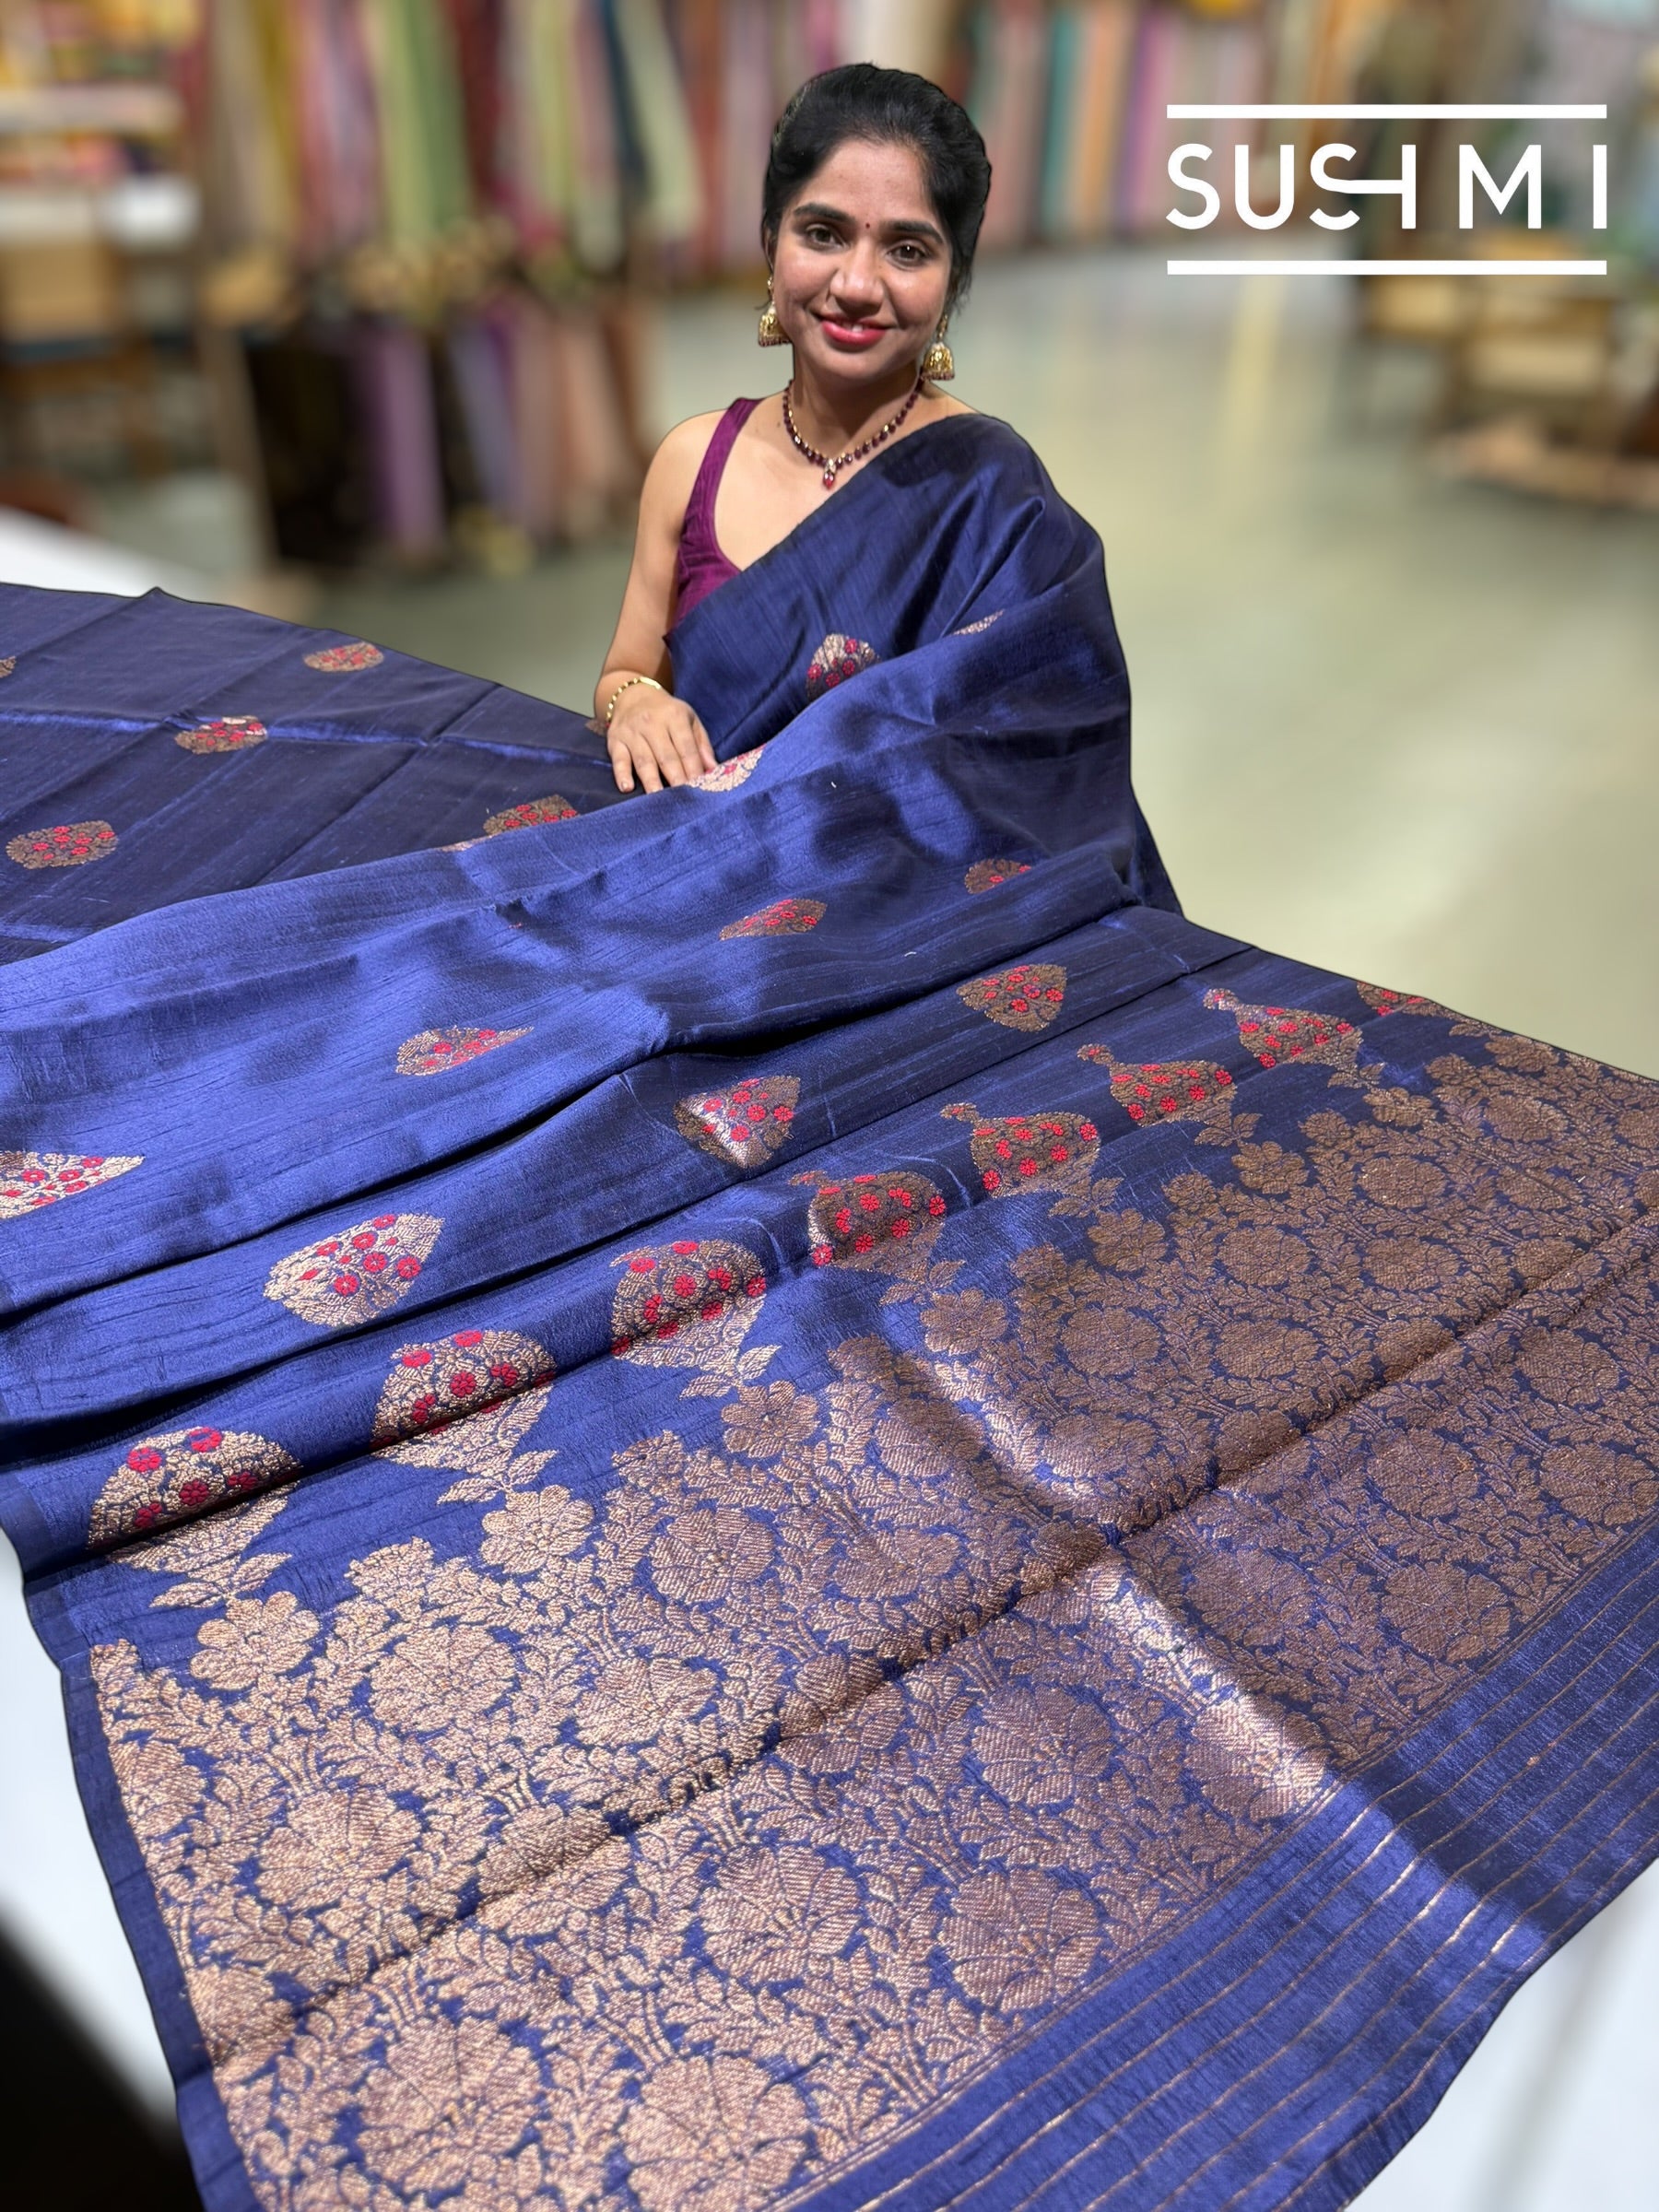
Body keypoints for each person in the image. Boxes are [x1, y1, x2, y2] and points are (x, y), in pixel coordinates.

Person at [594, 63, 984, 793]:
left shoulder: (987, 494)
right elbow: (625, 674)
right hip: (699, 848)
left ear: (953, 278)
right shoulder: (693, 461)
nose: (857, 285)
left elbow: (1032, 752)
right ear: (772, 244)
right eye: (823, 234)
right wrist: (637, 704)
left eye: (907, 250)